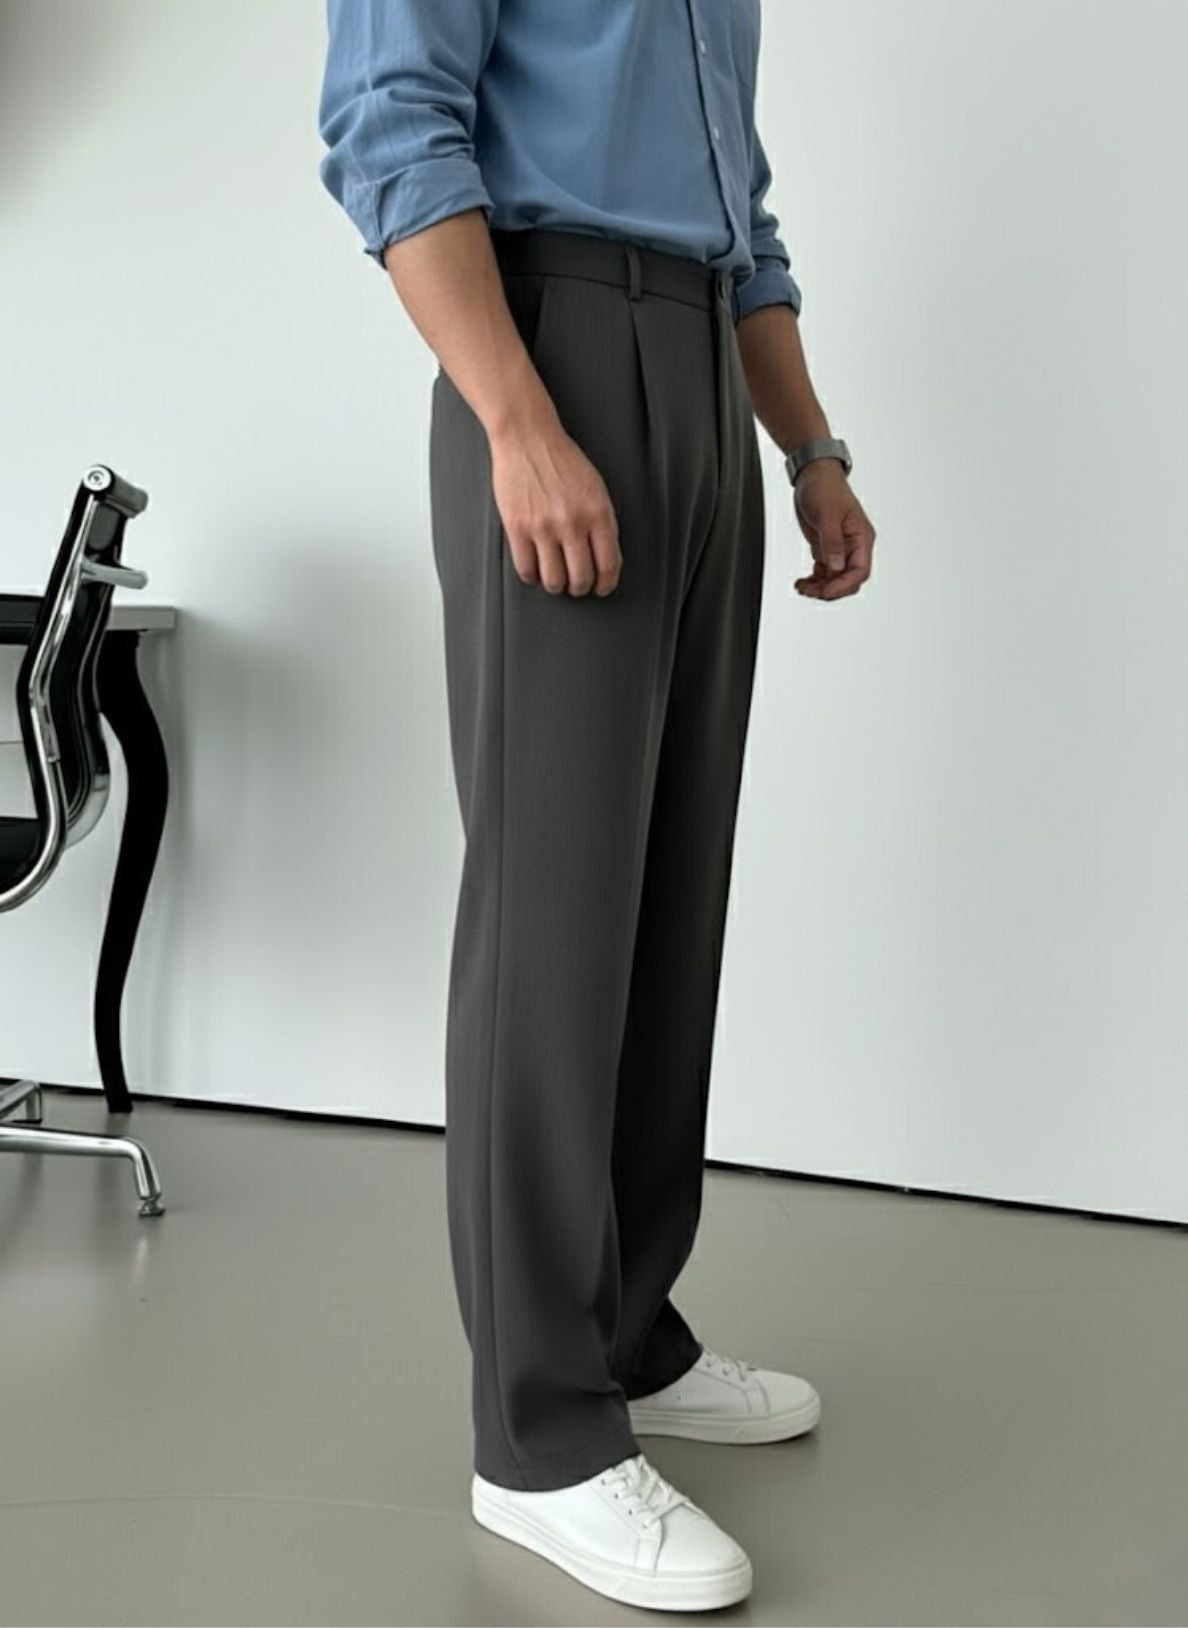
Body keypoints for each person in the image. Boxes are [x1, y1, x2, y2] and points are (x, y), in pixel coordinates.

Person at [318, 0, 876, 1611]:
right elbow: (388, 123)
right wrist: (516, 418)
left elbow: (740, 214)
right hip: (552, 350)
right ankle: (539, 1434)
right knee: (553, 928)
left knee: (667, 904)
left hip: (699, 371)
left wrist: (808, 447)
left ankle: (627, 1333)